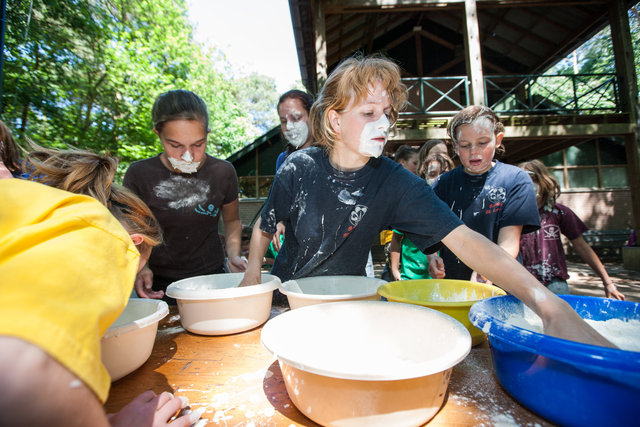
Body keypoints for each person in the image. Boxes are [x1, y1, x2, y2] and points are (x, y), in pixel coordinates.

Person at [239, 54, 612, 348]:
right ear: (335, 121)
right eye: (369, 113)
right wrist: (253, 275)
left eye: (387, 114)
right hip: (287, 303)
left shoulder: (396, 182)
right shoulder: (299, 167)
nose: (383, 125)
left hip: (350, 307)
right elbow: (265, 224)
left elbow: (466, 241)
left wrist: (548, 305)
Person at [1, 149, 198, 426]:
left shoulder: (29, 207)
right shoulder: (104, 234)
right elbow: (24, 370)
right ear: (134, 242)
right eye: (136, 267)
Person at [123, 90, 247, 302]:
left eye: (198, 144)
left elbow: (232, 220)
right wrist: (140, 267)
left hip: (212, 279)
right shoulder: (139, 175)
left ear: (207, 133)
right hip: (158, 284)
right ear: (158, 135)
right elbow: (130, 232)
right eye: (175, 145)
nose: (188, 156)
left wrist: (233, 254)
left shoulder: (223, 172)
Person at [430, 105, 540, 284]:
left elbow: (510, 241)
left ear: (498, 140)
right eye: (465, 145)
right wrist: (432, 257)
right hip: (453, 286)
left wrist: (490, 269)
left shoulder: (515, 180)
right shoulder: (443, 183)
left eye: (483, 143)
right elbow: (434, 230)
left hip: (503, 284)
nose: (474, 152)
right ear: (455, 146)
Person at [518, 160, 625, 300]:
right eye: (523, 180)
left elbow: (582, 246)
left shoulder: (559, 213)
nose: (529, 185)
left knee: (562, 319)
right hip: (519, 281)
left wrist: (608, 282)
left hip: (553, 281)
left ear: (544, 181)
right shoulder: (512, 214)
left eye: (534, 179)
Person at [389, 146, 430, 281]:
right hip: (406, 267)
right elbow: (396, 238)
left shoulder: (421, 190)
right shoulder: (393, 186)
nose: (418, 168)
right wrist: (395, 269)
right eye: (415, 163)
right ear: (402, 162)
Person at [275, 89, 315, 171]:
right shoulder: (283, 160)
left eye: (296, 118)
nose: (288, 126)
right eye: (284, 121)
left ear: (312, 116)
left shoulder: (333, 156)